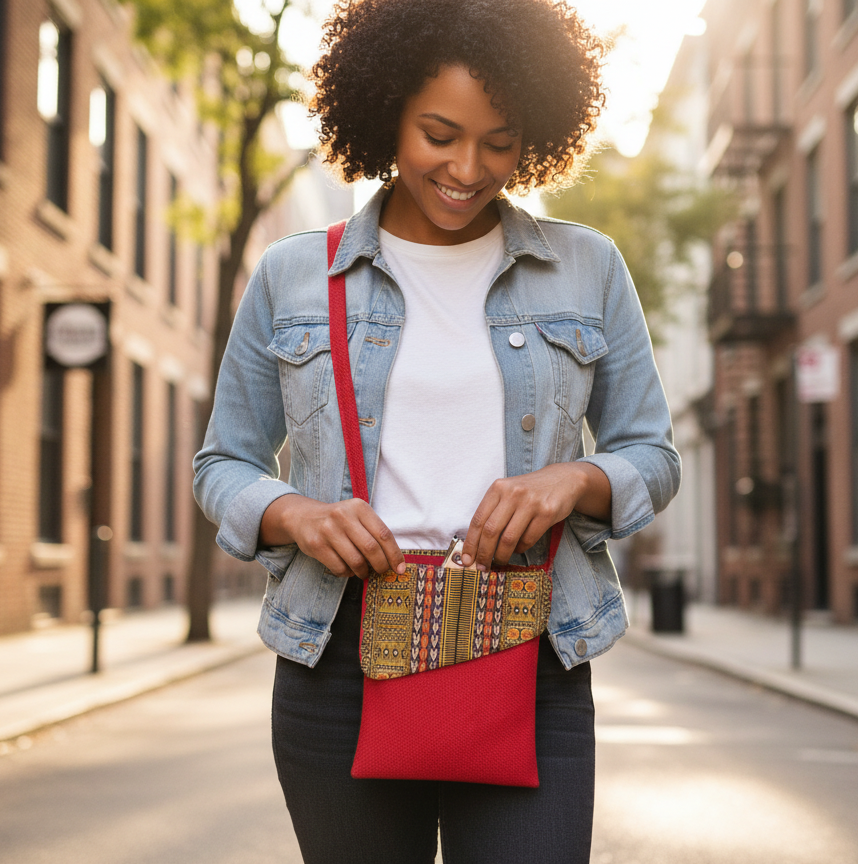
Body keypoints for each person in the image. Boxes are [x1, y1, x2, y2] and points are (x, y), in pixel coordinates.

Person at [193, 0, 680, 861]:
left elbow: (652, 453)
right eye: (440, 133)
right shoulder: (294, 275)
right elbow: (223, 464)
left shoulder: (588, 265)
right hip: (341, 658)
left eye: (499, 140)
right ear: (387, 115)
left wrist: (573, 480)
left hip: (533, 654)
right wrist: (296, 514)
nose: (467, 167)